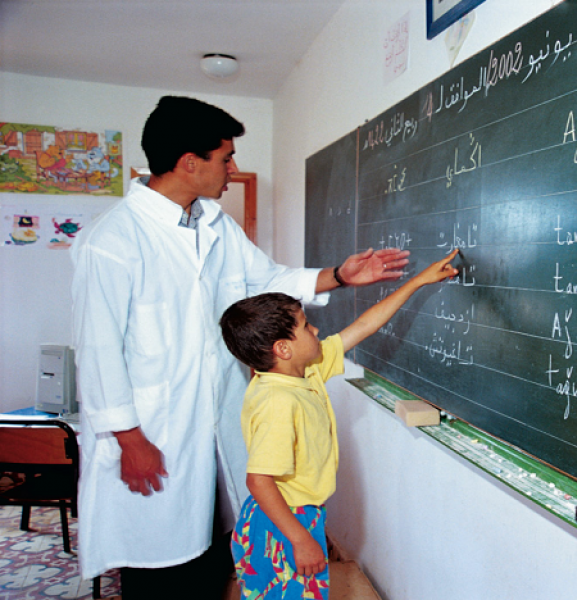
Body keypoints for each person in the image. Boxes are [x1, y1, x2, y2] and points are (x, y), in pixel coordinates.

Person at [70, 95, 410, 599]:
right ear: (190, 164)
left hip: (219, 428)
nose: (233, 169)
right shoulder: (111, 241)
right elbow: (97, 349)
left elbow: (267, 279)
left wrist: (339, 275)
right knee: (161, 572)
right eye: (226, 157)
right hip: (155, 435)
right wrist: (129, 439)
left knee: (213, 556)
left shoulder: (215, 225)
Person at [219, 249, 459, 599]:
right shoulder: (278, 402)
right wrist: (300, 539)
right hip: (283, 523)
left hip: (293, 516)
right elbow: (259, 480)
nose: (316, 329)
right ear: (284, 349)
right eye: (305, 326)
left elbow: (364, 325)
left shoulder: (305, 371)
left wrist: (418, 282)